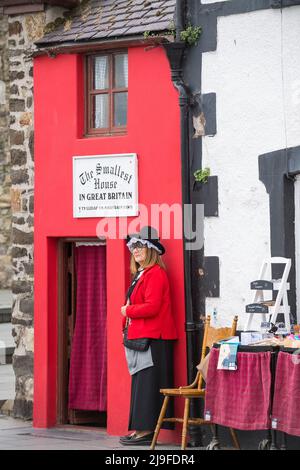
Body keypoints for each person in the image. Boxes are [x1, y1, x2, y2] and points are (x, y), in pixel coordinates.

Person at [119, 226, 178, 446]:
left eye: (139, 245)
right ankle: (141, 429)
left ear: (150, 249)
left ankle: (146, 432)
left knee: (148, 385)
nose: (135, 250)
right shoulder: (142, 274)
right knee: (141, 384)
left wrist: (128, 311)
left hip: (154, 339)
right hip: (142, 338)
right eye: (133, 246)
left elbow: (152, 307)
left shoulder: (156, 274)